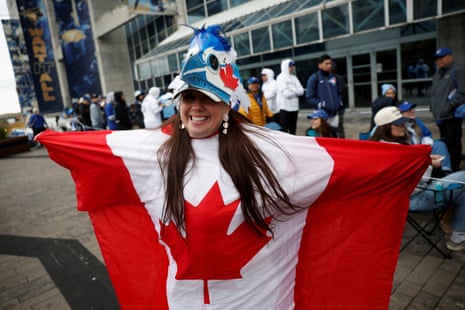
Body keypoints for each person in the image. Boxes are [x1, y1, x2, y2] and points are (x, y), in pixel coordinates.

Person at [36, 24, 430, 309]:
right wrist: (46, 136)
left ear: (228, 103)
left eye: (206, 97)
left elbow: (347, 163)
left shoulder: (271, 151)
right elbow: (94, 147)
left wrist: (410, 158)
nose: (194, 107)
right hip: (185, 303)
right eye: (187, 97)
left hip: (262, 301)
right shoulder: (154, 150)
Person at [370, 106, 465, 252]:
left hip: (398, 196)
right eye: (398, 123)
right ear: (385, 127)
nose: (403, 126)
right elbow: (419, 181)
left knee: (440, 147)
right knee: (463, 181)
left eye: (403, 122)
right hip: (411, 198)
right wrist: (427, 163)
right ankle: (457, 237)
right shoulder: (397, 151)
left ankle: (452, 224)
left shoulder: (378, 146)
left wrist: (424, 159)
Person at [431, 47, 465, 172]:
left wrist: (451, 106)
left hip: (452, 116)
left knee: (453, 143)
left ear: (449, 57)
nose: (439, 61)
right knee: (444, 143)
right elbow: (434, 94)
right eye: (437, 59)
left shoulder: (457, 71)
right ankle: (447, 165)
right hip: (440, 116)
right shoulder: (437, 74)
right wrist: (433, 108)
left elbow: (462, 91)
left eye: (442, 58)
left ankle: (454, 167)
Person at [398, 101, 452, 176]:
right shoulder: (398, 126)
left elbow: (427, 133)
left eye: (412, 109)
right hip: (412, 152)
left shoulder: (415, 120)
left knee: (439, 145)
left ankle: (446, 170)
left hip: (421, 147)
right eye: (408, 110)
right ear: (401, 113)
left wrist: (426, 145)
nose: (413, 111)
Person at [305, 54, 343, 137]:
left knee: (333, 135)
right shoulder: (314, 78)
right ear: (320, 65)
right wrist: (320, 104)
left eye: (330, 63)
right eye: (326, 63)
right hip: (321, 115)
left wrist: (339, 103)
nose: (329, 66)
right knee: (322, 135)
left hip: (334, 114)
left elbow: (339, 92)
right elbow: (309, 97)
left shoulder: (335, 77)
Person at [276, 58, 304, 135]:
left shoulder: (294, 77)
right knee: (284, 130)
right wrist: (295, 91)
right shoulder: (280, 77)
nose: (292, 68)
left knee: (293, 130)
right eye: (290, 66)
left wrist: (291, 90)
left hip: (294, 108)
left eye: (293, 66)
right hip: (285, 108)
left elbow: (301, 91)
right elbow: (286, 94)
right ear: (285, 67)